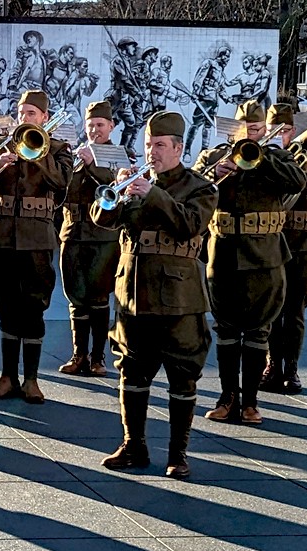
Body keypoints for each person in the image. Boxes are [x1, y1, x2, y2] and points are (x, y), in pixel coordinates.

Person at [90, 111, 217, 479]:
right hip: (133, 295)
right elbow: (102, 219)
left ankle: (178, 454)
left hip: (180, 299)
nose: (152, 152)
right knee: (132, 372)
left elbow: (189, 225)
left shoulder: (200, 187)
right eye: (148, 145)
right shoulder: (136, 181)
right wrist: (114, 195)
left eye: (160, 145)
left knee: (182, 376)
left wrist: (154, 194)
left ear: (179, 148)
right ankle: (134, 446)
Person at [195, 100, 307, 425]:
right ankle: (227, 397)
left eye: (256, 129)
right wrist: (213, 173)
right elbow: (192, 185)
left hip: (265, 258)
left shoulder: (277, 157)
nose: (250, 134)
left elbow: (298, 182)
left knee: (259, 330)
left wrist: (262, 161)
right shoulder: (215, 156)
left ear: (265, 130)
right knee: (226, 329)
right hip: (224, 254)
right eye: (245, 128)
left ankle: (251, 403)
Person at [0, 89, 72, 403]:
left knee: (33, 307)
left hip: (37, 240)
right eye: (22, 112)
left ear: (44, 117)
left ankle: (31, 380)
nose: (25, 118)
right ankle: (7, 377)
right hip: (0, 237)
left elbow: (62, 183)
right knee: (5, 306)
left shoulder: (58, 149)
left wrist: (38, 155)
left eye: (32, 113)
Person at [263, 103, 307, 395]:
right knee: (272, 310)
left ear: (293, 132)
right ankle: (272, 364)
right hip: (273, 243)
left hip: (301, 245)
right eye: (274, 130)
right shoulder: (258, 157)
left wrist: (290, 166)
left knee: (295, 311)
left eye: (285, 130)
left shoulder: (306, 157)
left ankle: (291, 369)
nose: (280, 135)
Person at [59, 100, 123, 377]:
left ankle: (98, 358)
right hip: (73, 233)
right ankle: (78, 355)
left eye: (100, 125)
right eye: (91, 125)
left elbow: (113, 188)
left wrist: (93, 164)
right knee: (76, 297)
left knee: (98, 298)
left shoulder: (119, 155)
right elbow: (61, 190)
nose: (95, 130)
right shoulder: (73, 155)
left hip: (103, 237)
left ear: (111, 126)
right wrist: (74, 165)